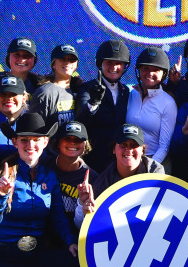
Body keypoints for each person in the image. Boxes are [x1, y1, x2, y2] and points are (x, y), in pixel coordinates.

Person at [0, 113, 86, 267]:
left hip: (36, 253)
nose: (31, 145)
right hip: (5, 254)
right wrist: (1, 197)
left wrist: (70, 242)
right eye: (24, 140)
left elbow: (58, 216)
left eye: (37, 140)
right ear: (14, 142)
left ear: (46, 142)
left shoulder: (49, 175)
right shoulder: (2, 173)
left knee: (82, 262)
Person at [74, 39, 133, 173]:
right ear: (100, 64)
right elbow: (80, 120)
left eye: (118, 63)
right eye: (109, 63)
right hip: (93, 161)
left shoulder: (126, 91)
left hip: (118, 162)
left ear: (124, 66)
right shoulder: (87, 88)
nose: (113, 67)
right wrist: (93, 103)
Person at [125, 46, 176, 168]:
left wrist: (148, 168)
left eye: (155, 70)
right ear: (139, 71)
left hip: (155, 161)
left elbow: (164, 146)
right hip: (129, 158)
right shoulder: (132, 94)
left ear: (163, 74)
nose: (150, 73)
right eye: (146, 68)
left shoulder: (168, 103)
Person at [91, 123, 166, 196]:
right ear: (114, 149)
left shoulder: (155, 172)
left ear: (142, 150)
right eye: (123, 144)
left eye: (134, 145)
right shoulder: (103, 182)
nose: (129, 150)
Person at [31, 43, 82, 128]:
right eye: (62, 58)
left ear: (76, 65)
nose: (67, 62)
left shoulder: (81, 89)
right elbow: (36, 129)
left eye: (72, 59)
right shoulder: (45, 93)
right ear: (53, 64)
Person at [0, 74, 29, 162]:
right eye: (3, 94)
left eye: (14, 94)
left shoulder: (32, 124)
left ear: (24, 98)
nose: (9, 98)